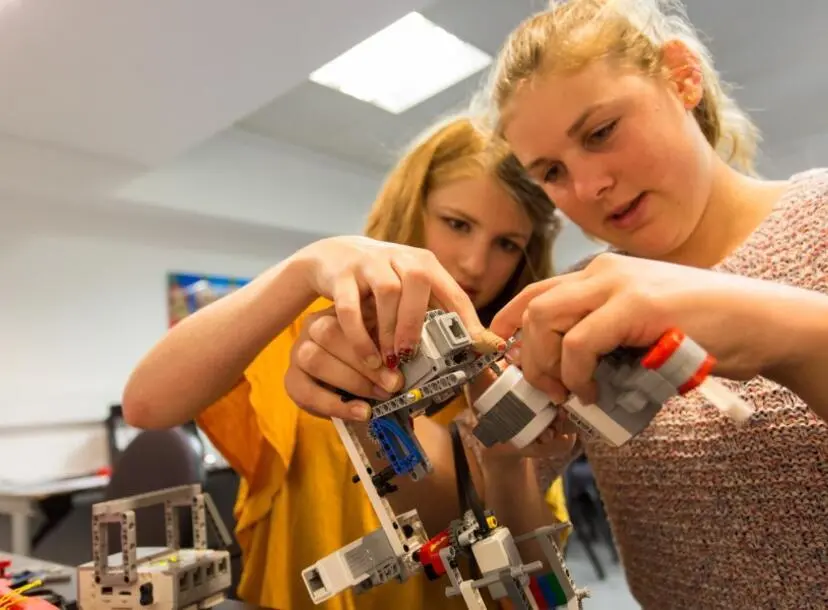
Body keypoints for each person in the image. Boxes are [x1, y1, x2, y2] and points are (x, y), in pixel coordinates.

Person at [122, 117, 570, 610]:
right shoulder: (315, 330)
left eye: (507, 244)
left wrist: (502, 461)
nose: (474, 264)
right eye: (457, 223)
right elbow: (147, 403)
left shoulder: (515, 371)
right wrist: (302, 269)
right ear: (411, 208)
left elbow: (522, 576)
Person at [474, 0, 828, 607]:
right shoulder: (582, 306)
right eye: (553, 172)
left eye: (601, 132)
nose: (588, 187)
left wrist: (785, 331)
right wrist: (504, 462)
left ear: (682, 76)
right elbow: (526, 577)